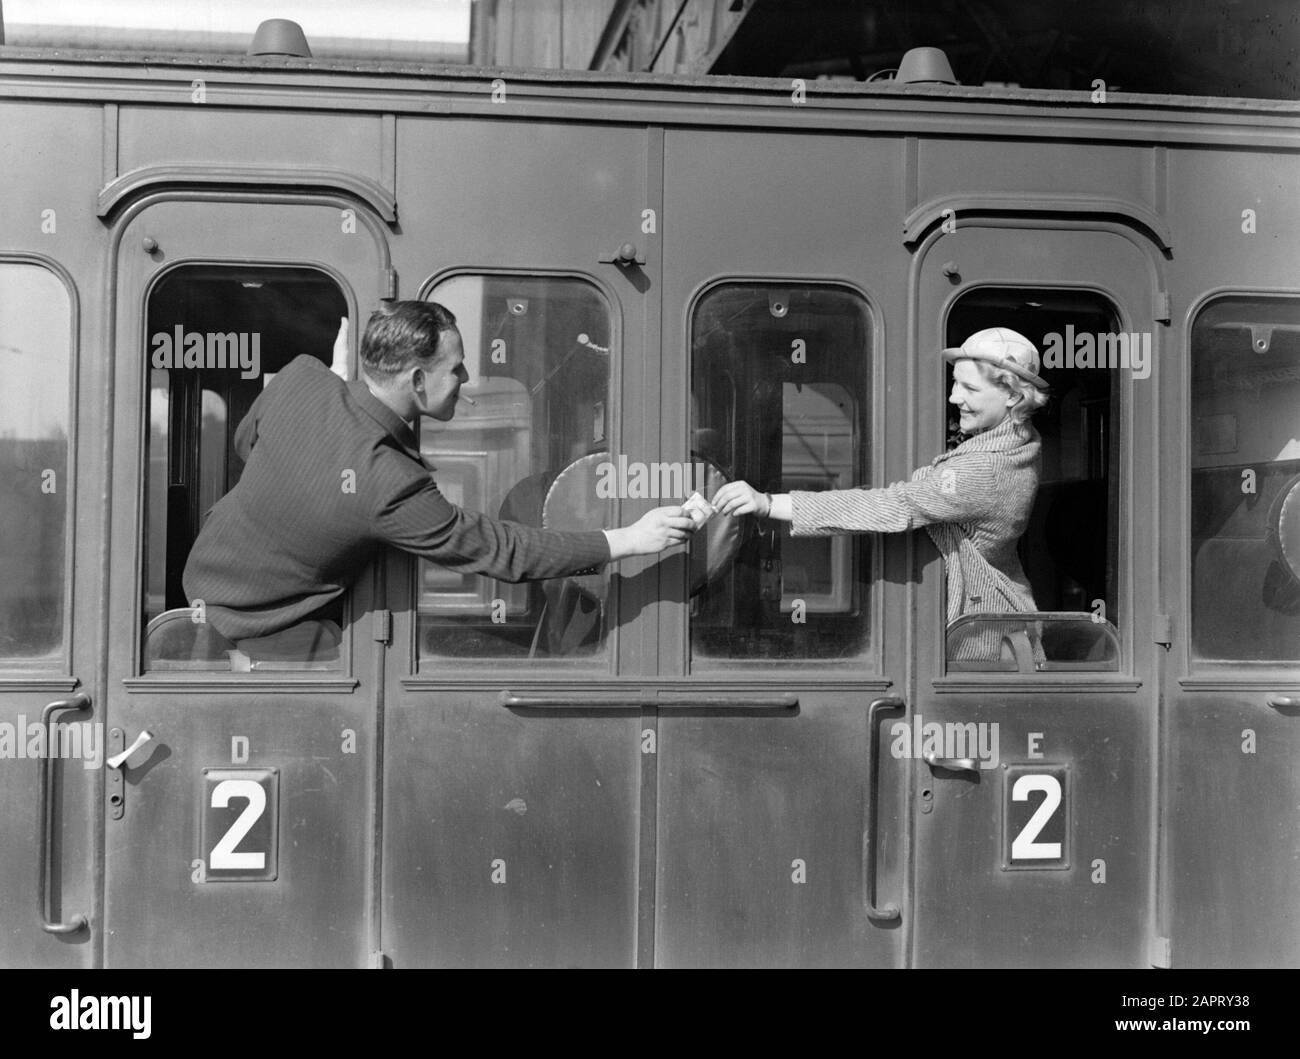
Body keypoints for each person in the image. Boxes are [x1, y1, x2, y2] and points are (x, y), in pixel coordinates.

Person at [182, 301, 693, 648]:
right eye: (457, 369)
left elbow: (246, 444)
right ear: (418, 380)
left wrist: (329, 392)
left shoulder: (301, 377)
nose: (467, 379)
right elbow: (503, 550)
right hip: (268, 632)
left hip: (198, 592)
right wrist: (627, 538)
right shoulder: (390, 483)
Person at [711, 327, 1050, 660]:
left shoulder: (984, 471)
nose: (953, 397)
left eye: (970, 388)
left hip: (982, 649)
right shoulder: (1018, 444)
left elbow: (893, 505)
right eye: (955, 382)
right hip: (1000, 636)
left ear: (1013, 396)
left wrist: (769, 503)